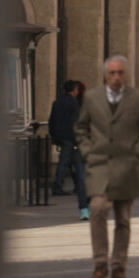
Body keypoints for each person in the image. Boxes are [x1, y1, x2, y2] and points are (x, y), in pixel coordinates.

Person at [75, 55, 139, 278]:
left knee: (123, 219)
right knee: (98, 210)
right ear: (105, 75)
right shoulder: (92, 98)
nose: (116, 77)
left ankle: (119, 265)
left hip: (126, 168)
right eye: (112, 73)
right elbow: (81, 128)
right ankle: (100, 262)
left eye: (120, 73)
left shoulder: (138, 99)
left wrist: (136, 152)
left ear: (126, 75)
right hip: (99, 165)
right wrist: (88, 152)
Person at [49, 80, 89, 219]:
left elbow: (51, 119)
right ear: (74, 90)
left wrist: (53, 134)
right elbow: (75, 121)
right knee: (66, 161)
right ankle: (58, 186)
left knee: (68, 161)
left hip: (60, 135)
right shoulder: (73, 103)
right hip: (70, 136)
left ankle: (73, 186)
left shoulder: (57, 102)